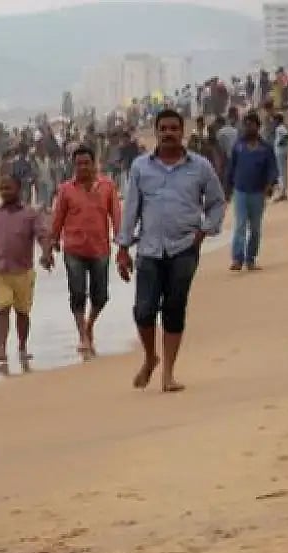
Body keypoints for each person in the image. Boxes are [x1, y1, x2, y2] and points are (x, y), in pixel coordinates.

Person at [117, 109, 226, 393]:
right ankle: (150, 357)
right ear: (156, 132)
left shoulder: (200, 167)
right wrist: (123, 247)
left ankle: (168, 373)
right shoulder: (141, 167)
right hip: (149, 249)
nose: (168, 133)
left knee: (174, 309)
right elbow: (131, 209)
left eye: (173, 128)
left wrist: (205, 230)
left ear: (182, 132)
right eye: (163, 128)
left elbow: (217, 201)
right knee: (143, 310)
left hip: (184, 248)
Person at [0, 174, 53, 363]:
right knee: (2, 308)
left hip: (23, 272)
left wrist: (46, 254)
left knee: (22, 312)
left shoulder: (30, 214)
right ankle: (1, 349)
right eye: (2, 189)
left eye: (9, 188)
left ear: (19, 189)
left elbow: (42, 236)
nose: (5, 192)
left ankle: (22, 347)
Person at [47, 146, 122, 358]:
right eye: (78, 164)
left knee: (101, 296)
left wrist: (122, 243)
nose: (82, 168)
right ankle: (83, 335)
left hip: (100, 249)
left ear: (94, 163)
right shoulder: (65, 189)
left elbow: (116, 215)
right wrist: (52, 243)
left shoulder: (107, 186)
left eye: (86, 163)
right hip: (73, 249)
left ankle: (89, 324)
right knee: (78, 293)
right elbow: (57, 218)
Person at [225, 111, 278, 271]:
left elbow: (272, 169)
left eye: (251, 124)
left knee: (255, 228)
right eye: (245, 124)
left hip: (258, 193)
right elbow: (231, 168)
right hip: (240, 192)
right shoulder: (238, 146)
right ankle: (237, 259)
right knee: (240, 225)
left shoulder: (265, 148)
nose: (248, 127)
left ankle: (251, 259)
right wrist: (227, 189)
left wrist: (269, 185)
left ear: (257, 126)